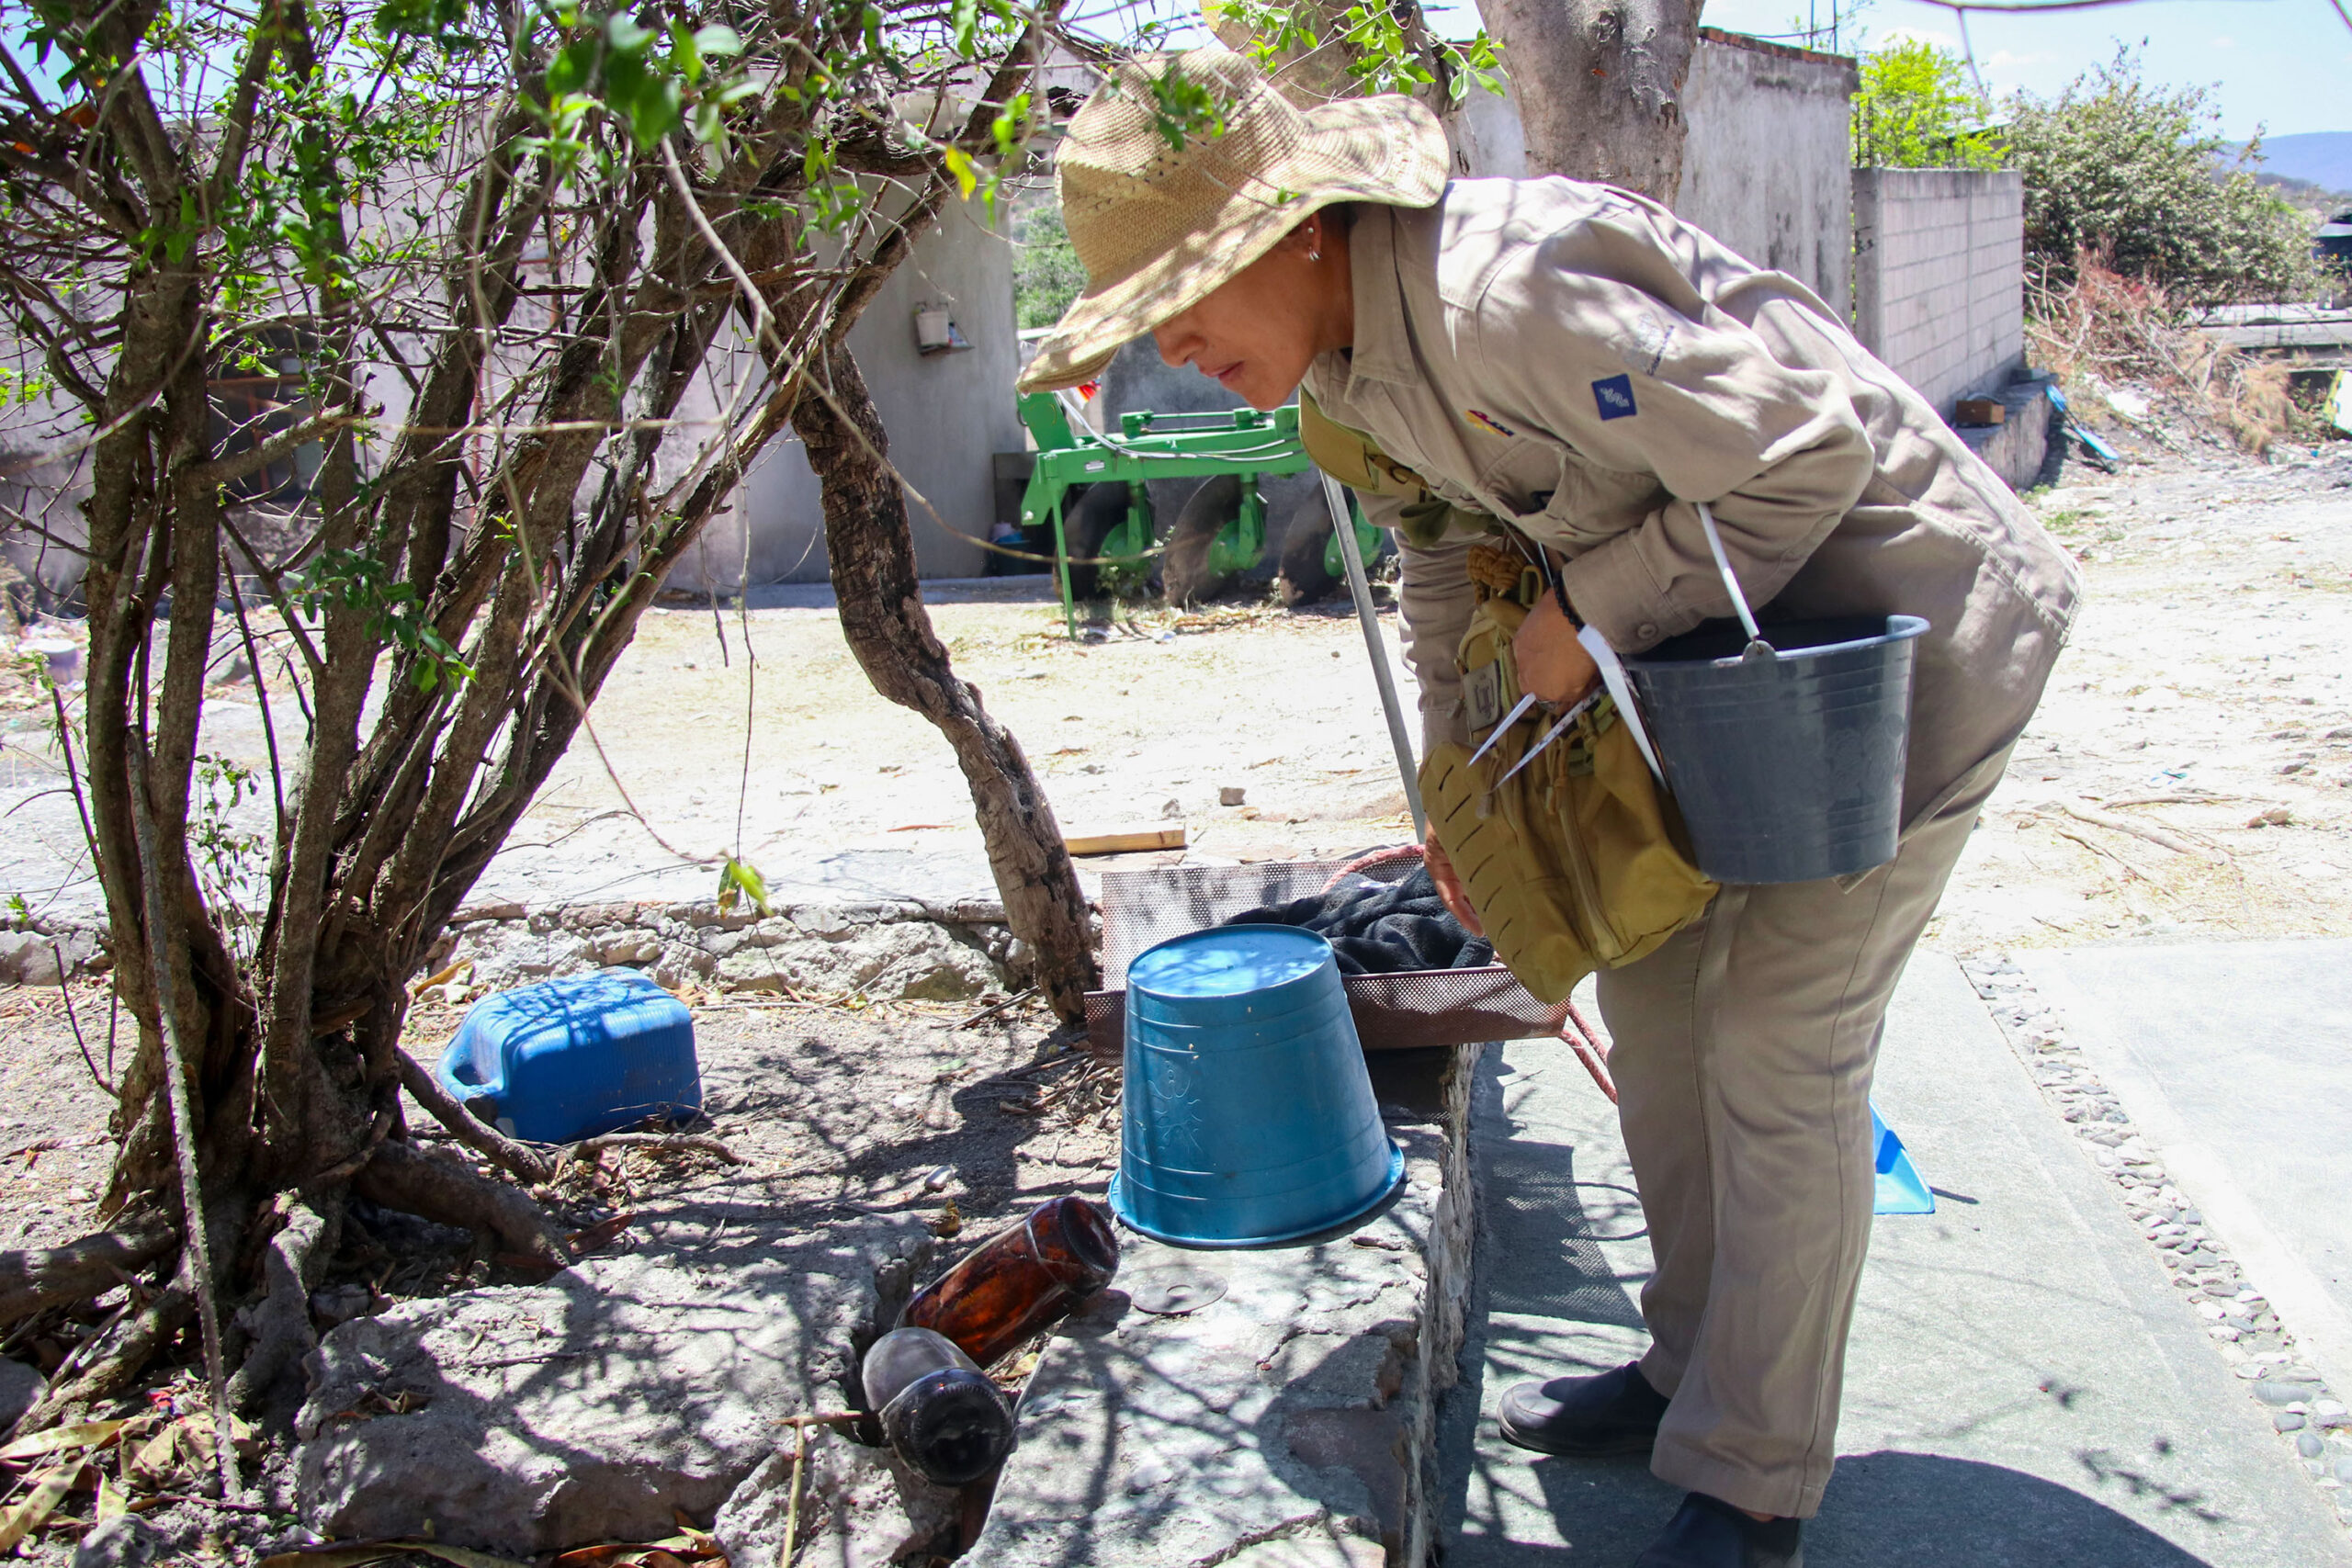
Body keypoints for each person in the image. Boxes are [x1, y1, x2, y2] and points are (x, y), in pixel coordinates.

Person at [1019, 47, 2078, 1568]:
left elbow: (1805, 458)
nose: (1178, 346)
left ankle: (1753, 1479)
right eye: (1148, 314)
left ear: (1306, 225)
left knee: (1780, 1044)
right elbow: (1442, 555)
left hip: (1893, 646)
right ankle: (1686, 1369)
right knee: (1653, 999)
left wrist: (1593, 607)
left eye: (1194, 288)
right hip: (1712, 673)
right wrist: (1464, 785)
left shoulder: (1504, 290)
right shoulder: (1340, 376)